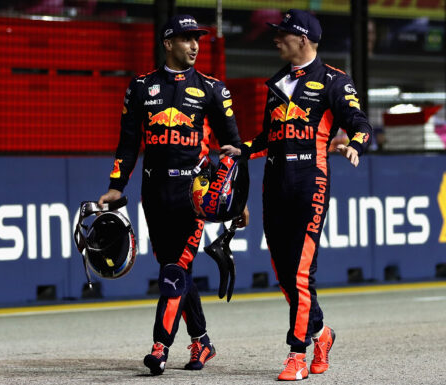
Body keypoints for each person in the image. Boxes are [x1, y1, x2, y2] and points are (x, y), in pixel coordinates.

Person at [98, 14, 248, 375]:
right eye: (186, 39)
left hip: (195, 191)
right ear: (168, 43)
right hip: (154, 190)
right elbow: (128, 143)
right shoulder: (139, 87)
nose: (195, 45)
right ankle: (202, 341)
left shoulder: (214, 89)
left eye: (197, 39)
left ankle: (159, 346)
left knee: (177, 268)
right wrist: (117, 185)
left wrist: (238, 201)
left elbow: (233, 148)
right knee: (172, 268)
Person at [240, 9, 373, 381]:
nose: (276, 39)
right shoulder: (276, 82)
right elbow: (268, 136)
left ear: (302, 39)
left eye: (282, 34)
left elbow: (359, 122)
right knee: (282, 272)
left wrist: (356, 146)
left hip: (309, 181)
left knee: (300, 272)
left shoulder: (334, 80)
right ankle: (322, 334)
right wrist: (243, 148)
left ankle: (296, 353)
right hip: (274, 182)